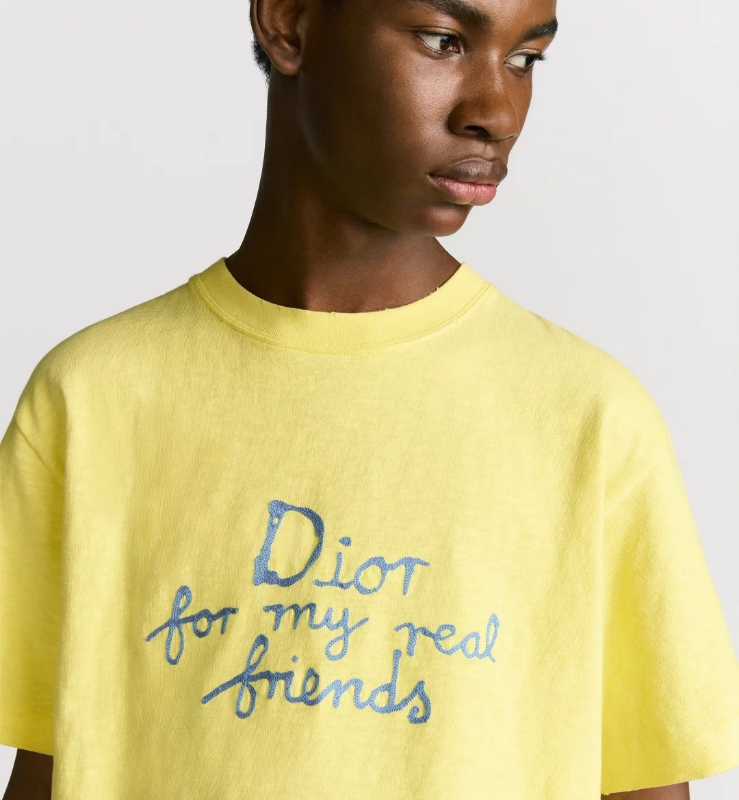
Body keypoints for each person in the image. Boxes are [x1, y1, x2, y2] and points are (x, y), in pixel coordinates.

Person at [2, 0, 739, 797]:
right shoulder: (93, 398)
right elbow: (57, 755)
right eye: (443, 42)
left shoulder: (587, 418)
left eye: (525, 60)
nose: (496, 113)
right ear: (288, 23)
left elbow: (643, 779)